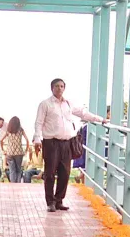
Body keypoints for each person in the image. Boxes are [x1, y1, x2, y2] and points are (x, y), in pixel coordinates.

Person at [31, 77, 107, 213]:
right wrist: (37, 139)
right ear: (52, 88)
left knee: (65, 173)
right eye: (56, 86)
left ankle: (59, 200)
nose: (59, 88)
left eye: (61, 86)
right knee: (50, 173)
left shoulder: (68, 104)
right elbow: (39, 122)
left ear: (64, 88)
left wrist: (100, 120)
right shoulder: (45, 104)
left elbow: (83, 113)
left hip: (67, 143)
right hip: (51, 142)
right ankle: (50, 202)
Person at [0, 116, 29, 182]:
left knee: (12, 170)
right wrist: (26, 150)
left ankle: (13, 185)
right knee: (18, 170)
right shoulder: (21, 130)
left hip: (9, 153)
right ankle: (18, 185)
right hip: (19, 153)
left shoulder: (8, 130)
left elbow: (1, 140)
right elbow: (27, 140)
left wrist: (3, 150)